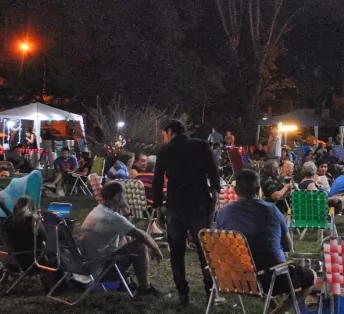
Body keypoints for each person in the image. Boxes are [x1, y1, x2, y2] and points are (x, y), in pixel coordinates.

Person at [215, 169, 316, 314]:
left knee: (261, 264)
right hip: (269, 279)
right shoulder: (272, 210)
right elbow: (288, 246)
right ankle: (277, 312)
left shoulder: (223, 213)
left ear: (236, 190)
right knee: (310, 275)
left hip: (233, 278)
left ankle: (272, 307)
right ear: (258, 188)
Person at [152, 120, 219, 304]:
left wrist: (158, 205)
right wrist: (214, 191)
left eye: (164, 134)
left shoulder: (165, 151)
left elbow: (158, 180)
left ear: (170, 131)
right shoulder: (200, 145)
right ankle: (209, 290)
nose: (163, 138)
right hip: (199, 203)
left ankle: (182, 291)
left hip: (176, 205)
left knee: (176, 250)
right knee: (204, 249)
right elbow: (213, 170)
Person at [78, 182, 167, 297]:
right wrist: (155, 248)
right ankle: (145, 288)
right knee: (140, 245)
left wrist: (127, 212)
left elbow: (128, 231)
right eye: (124, 194)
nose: (126, 197)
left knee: (123, 236)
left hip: (87, 266)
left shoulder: (98, 210)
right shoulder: (112, 218)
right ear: (117, 197)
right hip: (101, 270)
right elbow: (142, 236)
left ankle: (134, 283)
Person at [298, 162, 344, 237]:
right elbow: (317, 202)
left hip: (318, 210)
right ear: (313, 171)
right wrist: (331, 199)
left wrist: (337, 196)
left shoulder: (302, 183)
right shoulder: (310, 184)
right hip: (321, 212)